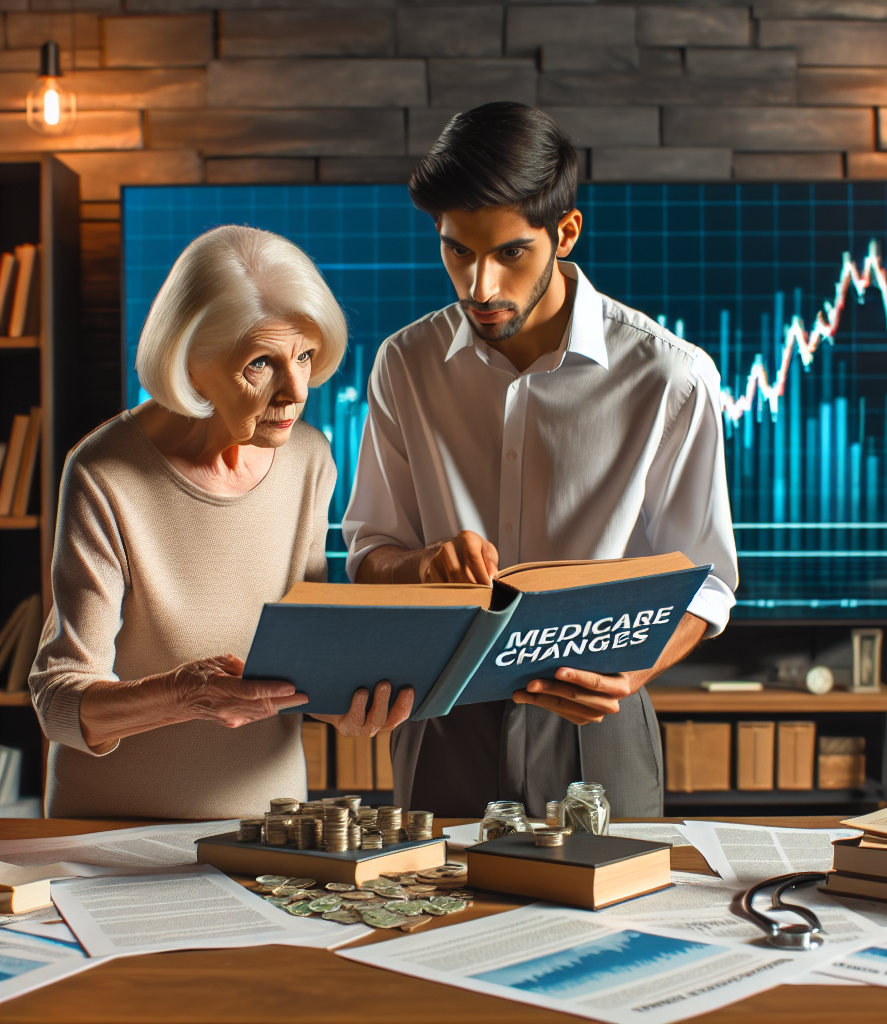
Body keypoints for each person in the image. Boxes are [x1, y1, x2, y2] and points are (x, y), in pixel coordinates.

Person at [343, 103, 738, 818]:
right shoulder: (403, 364)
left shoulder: (670, 377)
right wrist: (423, 565)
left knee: (615, 930)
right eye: (457, 250)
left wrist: (630, 672)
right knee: (435, 928)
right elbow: (370, 551)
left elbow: (707, 584)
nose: (480, 287)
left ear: (566, 231)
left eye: (509, 253)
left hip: (599, 721)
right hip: (441, 713)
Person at [30, 225, 412, 819]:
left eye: (305, 356)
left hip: (268, 830)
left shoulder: (309, 457)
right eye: (262, 362)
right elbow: (57, 702)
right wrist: (185, 696)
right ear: (192, 364)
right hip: (112, 836)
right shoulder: (105, 471)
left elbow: (300, 655)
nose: (295, 391)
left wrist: (346, 702)